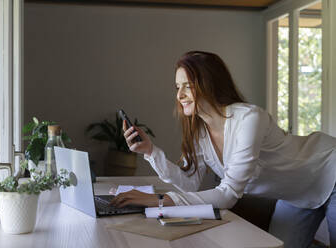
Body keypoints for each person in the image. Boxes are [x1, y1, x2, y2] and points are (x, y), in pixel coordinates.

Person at [110, 51, 336, 248]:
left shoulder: (249, 118)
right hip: (294, 193)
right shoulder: (200, 132)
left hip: (328, 169)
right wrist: (150, 152)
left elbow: (228, 195)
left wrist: (159, 200)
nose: (180, 96)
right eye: (178, 87)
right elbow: (190, 183)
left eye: (188, 86)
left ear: (211, 84)